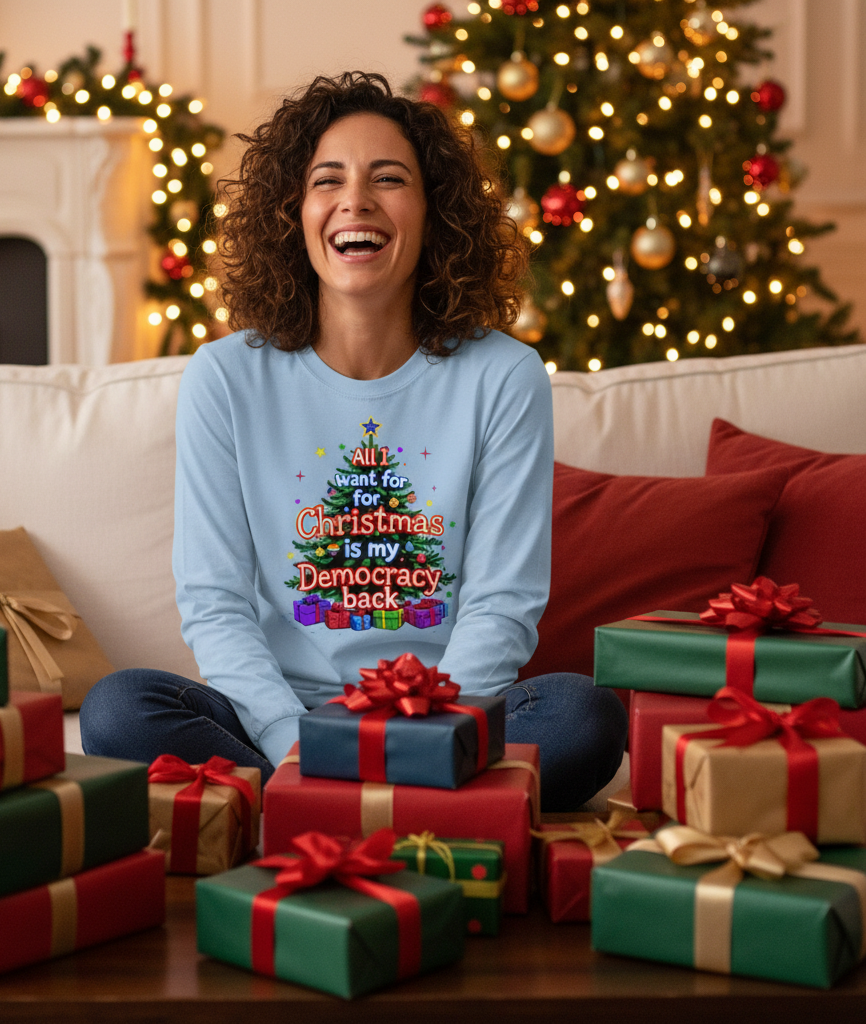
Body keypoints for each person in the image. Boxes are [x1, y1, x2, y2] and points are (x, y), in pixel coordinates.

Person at [80, 71, 627, 810]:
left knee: (582, 716)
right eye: (326, 180)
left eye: (389, 179)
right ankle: (406, 815)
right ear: (293, 212)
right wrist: (292, 743)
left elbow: (503, 600)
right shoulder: (225, 377)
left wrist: (432, 732)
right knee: (117, 710)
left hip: (447, 715)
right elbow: (213, 600)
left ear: (436, 213)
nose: (356, 200)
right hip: (279, 724)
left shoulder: (504, 375)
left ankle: (312, 815)